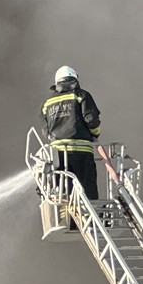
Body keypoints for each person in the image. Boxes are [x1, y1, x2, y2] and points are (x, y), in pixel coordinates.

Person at [42, 66, 102, 200]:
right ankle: (91, 218)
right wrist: (95, 134)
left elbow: (45, 129)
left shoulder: (48, 102)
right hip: (82, 153)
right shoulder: (81, 96)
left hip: (58, 155)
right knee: (87, 193)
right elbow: (92, 120)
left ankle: (69, 219)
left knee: (64, 196)